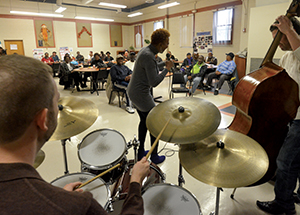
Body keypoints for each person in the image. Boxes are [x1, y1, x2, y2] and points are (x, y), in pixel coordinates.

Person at [0, 54, 150, 215]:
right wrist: (135, 183)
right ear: (43, 119)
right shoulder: (77, 206)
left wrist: (61, 196)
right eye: (57, 102)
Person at [256, 16, 300, 215]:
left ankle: (284, 204)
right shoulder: (285, 58)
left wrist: (289, 30)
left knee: (284, 162)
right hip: (290, 116)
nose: (278, 44)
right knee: (297, 161)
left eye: (280, 39)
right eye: (275, 39)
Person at [127, 28, 173, 164]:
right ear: (160, 44)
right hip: (141, 94)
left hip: (133, 92)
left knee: (144, 121)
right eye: (166, 43)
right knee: (154, 124)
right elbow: (154, 82)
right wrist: (167, 69)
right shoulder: (149, 55)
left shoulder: (146, 51)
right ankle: (154, 155)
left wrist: (163, 63)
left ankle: (141, 151)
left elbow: (150, 67)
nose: (167, 46)